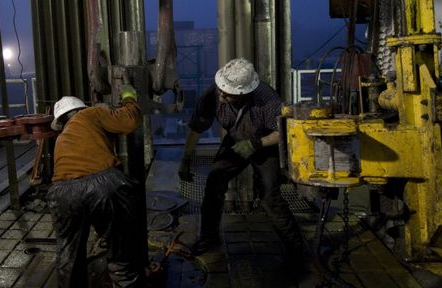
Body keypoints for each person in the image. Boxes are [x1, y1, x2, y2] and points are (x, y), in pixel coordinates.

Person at [178, 58, 304, 260]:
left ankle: (296, 248)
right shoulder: (214, 93)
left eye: (227, 95)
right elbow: (196, 128)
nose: (221, 97)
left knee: (269, 196)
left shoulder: (267, 98)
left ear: (243, 93)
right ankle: (208, 237)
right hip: (236, 141)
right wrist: (185, 160)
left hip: (264, 144)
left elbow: (282, 132)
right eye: (220, 90)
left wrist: (256, 144)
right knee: (214, 184)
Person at [46, 85, 147, 288]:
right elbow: (129, 121)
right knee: (120, 247)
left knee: (69, 255)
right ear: (81, 109)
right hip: (102, 184)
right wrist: (129, 97)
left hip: (61, 193)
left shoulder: (62, 138)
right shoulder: (91, 114)